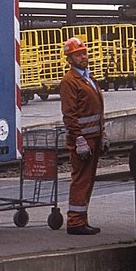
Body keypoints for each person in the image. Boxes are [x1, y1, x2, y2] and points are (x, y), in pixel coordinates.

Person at [59, 36, 104, 235]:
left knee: (88, 180)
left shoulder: (87, 76)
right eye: (78, 55)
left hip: (93, 137)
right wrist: (79, 139)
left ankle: (81, 219)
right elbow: (70, 114)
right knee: (81, 180)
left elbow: (95, 109)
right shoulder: (70, 81)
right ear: (69, 59)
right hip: (83, 141)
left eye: (84, 53)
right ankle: (75, 222)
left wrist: (103, 133)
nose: (83, 57)